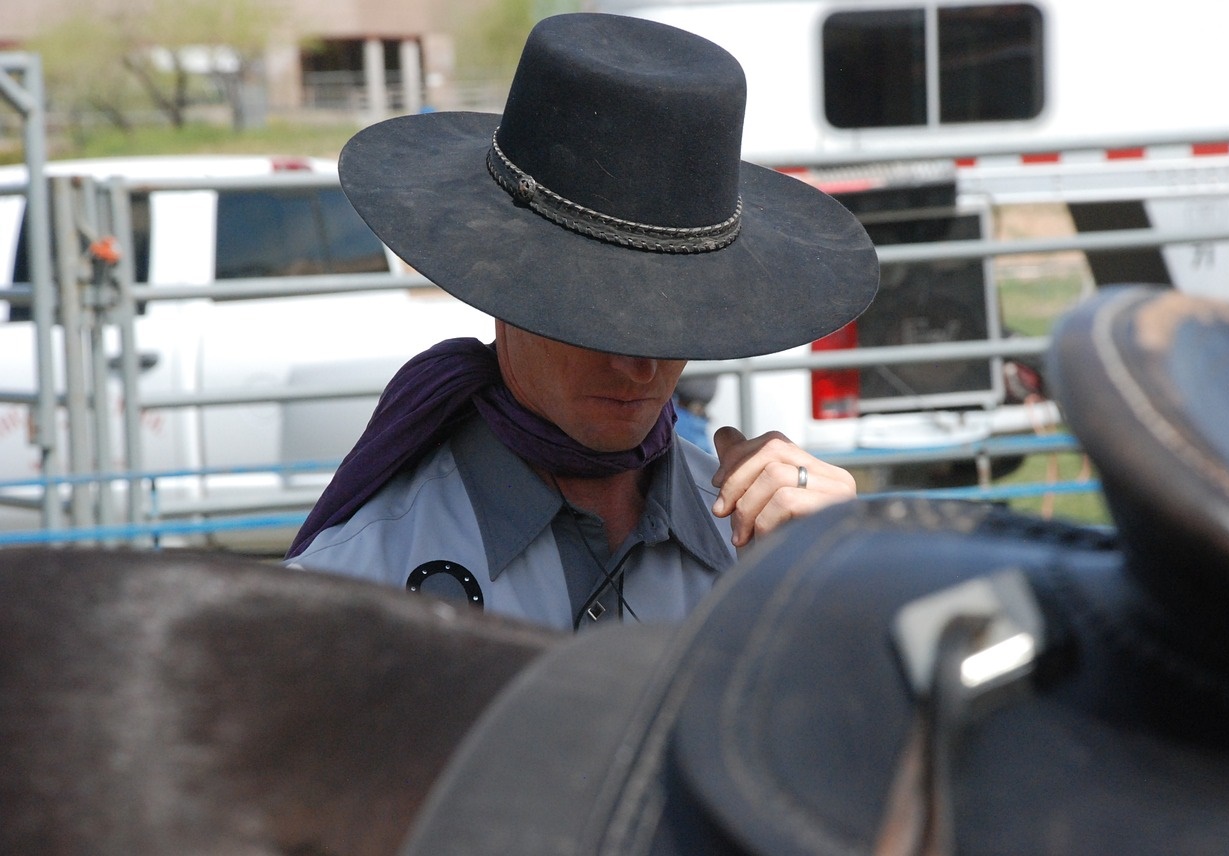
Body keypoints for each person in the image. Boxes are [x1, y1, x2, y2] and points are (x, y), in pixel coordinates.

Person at [285, 12, 879, 631]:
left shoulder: (773, 554)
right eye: (596, 316)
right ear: (503, 290)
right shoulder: (355, 590)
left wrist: (839, 590)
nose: (639, 364)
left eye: (675, 319)